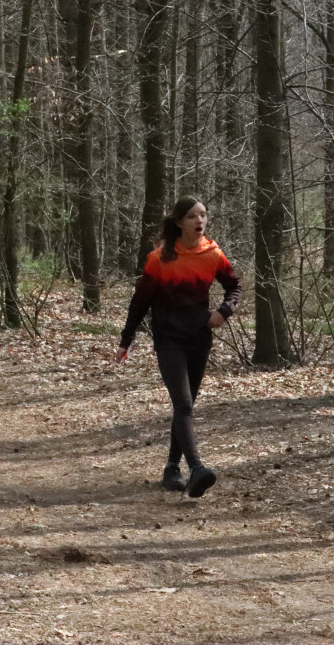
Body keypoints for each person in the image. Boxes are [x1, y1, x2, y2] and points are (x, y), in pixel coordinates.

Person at [116, 196, 241, 499]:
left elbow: (234, 286)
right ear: (178, 222)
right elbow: (140, 302)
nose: (199, 221)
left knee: (185, 407)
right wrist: (126, 340)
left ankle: (172, 467)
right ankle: (196, 468)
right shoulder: (158, 259)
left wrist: (223, 312)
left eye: (203, 215)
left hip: (199, 339)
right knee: (183, 404)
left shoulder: (213, 254)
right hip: (169, 339)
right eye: (192, 216)